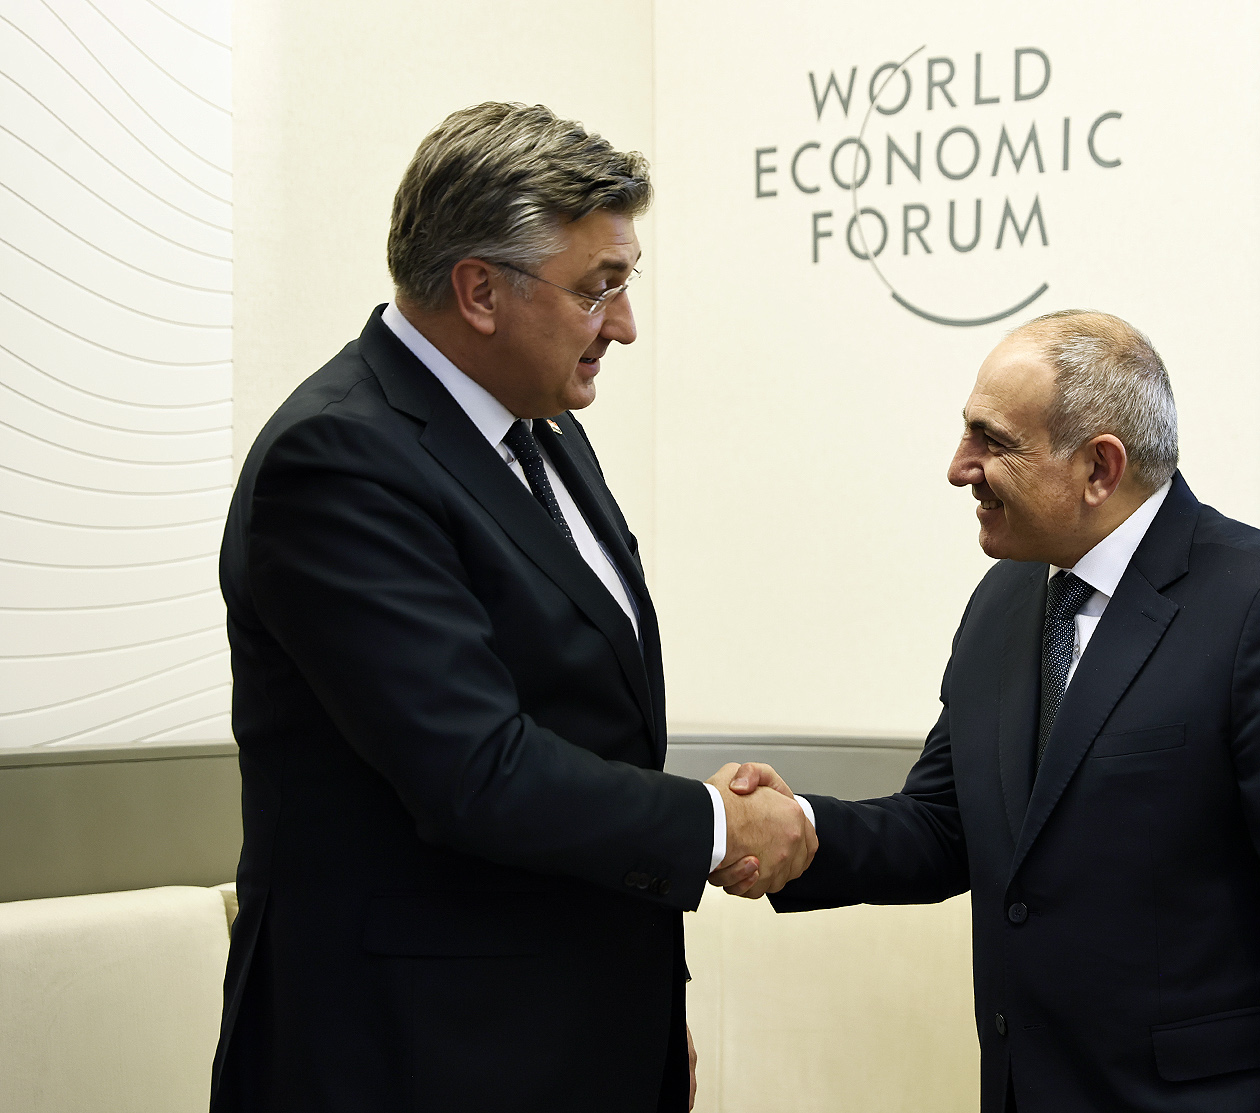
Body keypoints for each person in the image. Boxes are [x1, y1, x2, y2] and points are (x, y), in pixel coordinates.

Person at [211, 102, 812, 1113]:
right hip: (411, 1054)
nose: (623, 324)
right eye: (598, 288)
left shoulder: (540, 428)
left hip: (568, 1031)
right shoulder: (338, 459)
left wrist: (635, 1011)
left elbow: (578, 717)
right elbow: (475, 769)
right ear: (480, 290)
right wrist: (713, 824)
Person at [719, 310, 1260, 1113]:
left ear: (1099, 468)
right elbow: (943, 826)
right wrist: (799, 827)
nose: (958, 467)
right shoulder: (1005, 599)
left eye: (992, 440)